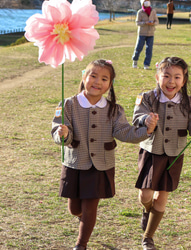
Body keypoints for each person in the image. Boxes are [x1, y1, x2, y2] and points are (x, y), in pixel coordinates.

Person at [51, 59, 158, 250]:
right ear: (84, 77)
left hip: (101, 165)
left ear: (110, 85)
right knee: (75, 209)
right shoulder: (68, 104)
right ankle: (84, 220)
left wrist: (147, 131)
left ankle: (81, 244)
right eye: (93, 76)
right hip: (75, 163)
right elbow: (56, 131)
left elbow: (125, 131)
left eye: (104, 78)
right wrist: (63, 135)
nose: (97, 82)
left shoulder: (114, 110)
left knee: (90, 206)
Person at [132, 57, 191, 250]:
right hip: (151, 151)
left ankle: (148, 238)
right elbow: (137, 117)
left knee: (162, 196)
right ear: (157, 77)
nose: (171, 82)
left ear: (184, 81)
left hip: (174, 155)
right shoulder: (147, 97)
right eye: (166, 76)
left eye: (177, 77)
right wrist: (147, 120)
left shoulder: (189, 102)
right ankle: (146, 210)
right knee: (146, 195)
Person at [132, 0, 159, 70]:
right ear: (143, 3)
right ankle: (135, 61)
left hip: (151, 33)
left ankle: (146, 64)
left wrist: (153, 23)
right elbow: (137, 23)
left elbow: (157, 21)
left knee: (149, 49)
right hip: (142, 33)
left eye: (148, 1)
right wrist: (145, 23)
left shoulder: (153, 11)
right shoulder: (140, 12)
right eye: (145, 1)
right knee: (139, 47)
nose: (147, 2)